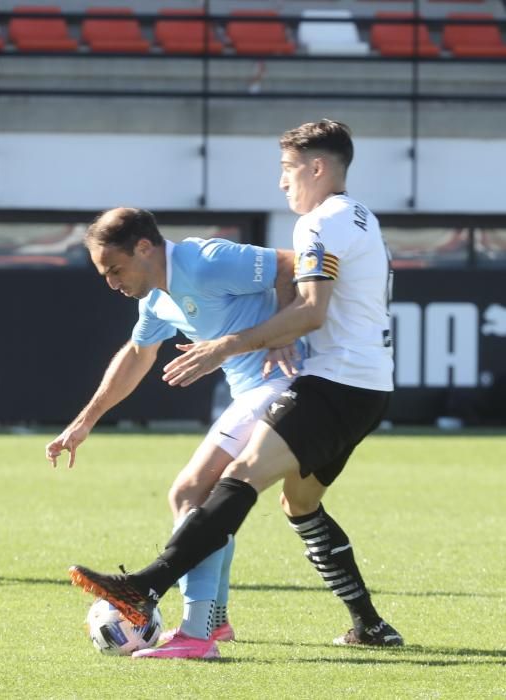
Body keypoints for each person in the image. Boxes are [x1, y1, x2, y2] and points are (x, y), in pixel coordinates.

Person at [69, 119, 404, 658]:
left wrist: (238, 341)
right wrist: (281, 322)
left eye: (287, 170)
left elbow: (312, 309)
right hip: (357, 382)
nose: (281, 183)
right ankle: (368, 623)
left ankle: (171, 606)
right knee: (300, 505)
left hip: (335, 381)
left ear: (317, 168)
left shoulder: (315, 225)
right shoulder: (356, 215)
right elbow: (306, 306)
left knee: (220, 482)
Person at [46, 206, 303, 660]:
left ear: (144, 248)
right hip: (255, 392)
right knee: (207, 502)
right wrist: (84, 421)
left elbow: (291, 263)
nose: (110, 281)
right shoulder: (156, 299)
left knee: (188, 493)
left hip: (285, 383)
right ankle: (214, 621)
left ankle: (197, 633)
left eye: (115, 268)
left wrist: (284, 331)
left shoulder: (206, 261)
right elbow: (136, 355)